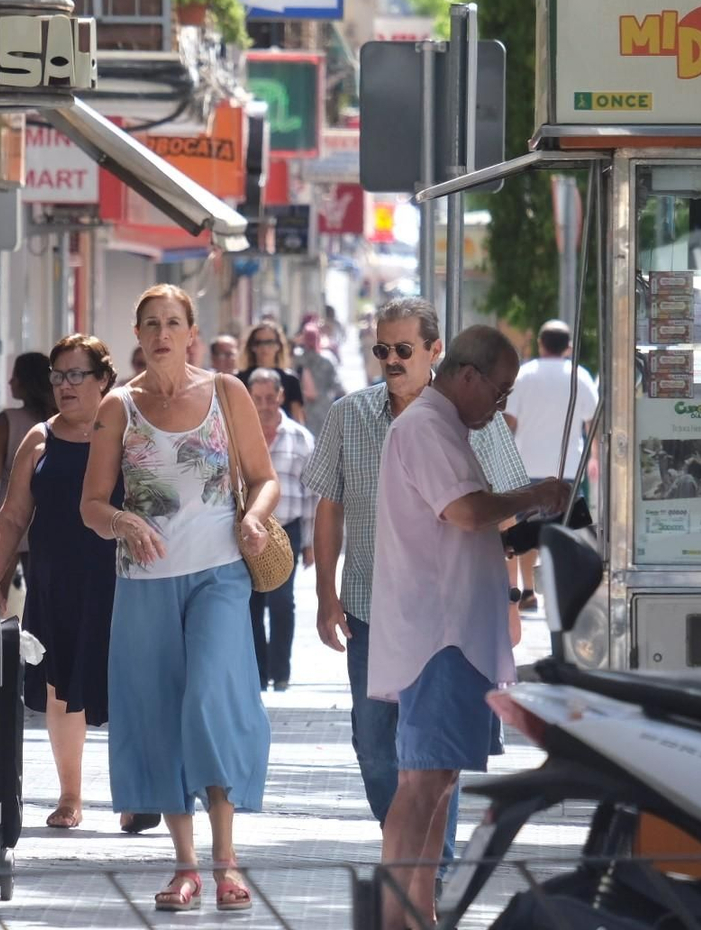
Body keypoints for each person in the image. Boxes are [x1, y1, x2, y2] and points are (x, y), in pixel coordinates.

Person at [301, 297, 529, 894]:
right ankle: (406, 858)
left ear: (435, 350)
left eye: (404, 349)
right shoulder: (349, 414)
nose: (392, 360)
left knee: (433, 758)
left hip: (443, 620)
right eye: (383, 349)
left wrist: (511, 598)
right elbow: (329, 505)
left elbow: (503, 507)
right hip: (370, 609)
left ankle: (429, 873)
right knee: (378, 749)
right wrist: (325, 594)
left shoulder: (475, 417)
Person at [81, 284, 275, 914]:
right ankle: (186, 865)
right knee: (160, 714)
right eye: (150, 324)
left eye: (173, 323)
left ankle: (227, 860)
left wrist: (255, 519)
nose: (161, 333)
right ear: (137, 335)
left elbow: (264, 479)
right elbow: (91, 505)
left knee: (208, 701)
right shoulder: (117, 406)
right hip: (144, 583)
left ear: (192, 332)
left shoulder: (226, 391)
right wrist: (122, 522)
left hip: (220, 573)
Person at [370, 327, 569, 929]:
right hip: (440, 634)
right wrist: (534, 494)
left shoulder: (445, 427)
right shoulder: (427, 427)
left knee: (437, 780)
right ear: (467, 375)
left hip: (451, 631)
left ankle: (419, 912)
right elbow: (465, 511)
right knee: (423, 782)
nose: (501, 405)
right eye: (499, 391)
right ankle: (395, 918)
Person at [0, 334, 159, 835]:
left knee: (128, 685)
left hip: (121, 577)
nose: (65, 385)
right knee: (60, 689)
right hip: (56, 580)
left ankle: (135, 793)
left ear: (103, 379)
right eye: (58, 376)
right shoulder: (39, 438)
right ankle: (69, 796)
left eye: (76, 375)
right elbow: (14, 515)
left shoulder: (130, 435)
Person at [503, 320, 599, 609]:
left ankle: (528, 591)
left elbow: (509, 421)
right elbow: (592, 423)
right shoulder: (580, 376)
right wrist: (594, 457)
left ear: (540, 344)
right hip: (567, 470)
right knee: (566, 532)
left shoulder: (524, 375)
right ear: (568, 347)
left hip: (526, 466)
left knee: (525, 529)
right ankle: (561, 592)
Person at [246, 369, 317, 692]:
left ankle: (280, 672)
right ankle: (258, 675)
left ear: (280, 396)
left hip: (288, 529)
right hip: (249, 531)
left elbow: (313, 494)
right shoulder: (240, 436)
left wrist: (310, 542)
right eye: (257, 398)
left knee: (282, 601)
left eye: (269, 398)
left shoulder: (300, 438)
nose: (263, 405)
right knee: (251, 603)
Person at [0, 352, 55, 503]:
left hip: (10, 505)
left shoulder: (7, 420)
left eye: (15, 376)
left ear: (26, 381)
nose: (10, 382)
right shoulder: (61, 420)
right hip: (49, 506)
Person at [237, 320, 305, 424]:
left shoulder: (291, 380)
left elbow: (297, 418)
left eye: (269, 342)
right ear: (252, 347)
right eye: (258, 343)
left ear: (278, 346)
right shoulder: (239, 380)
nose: (264, 348)